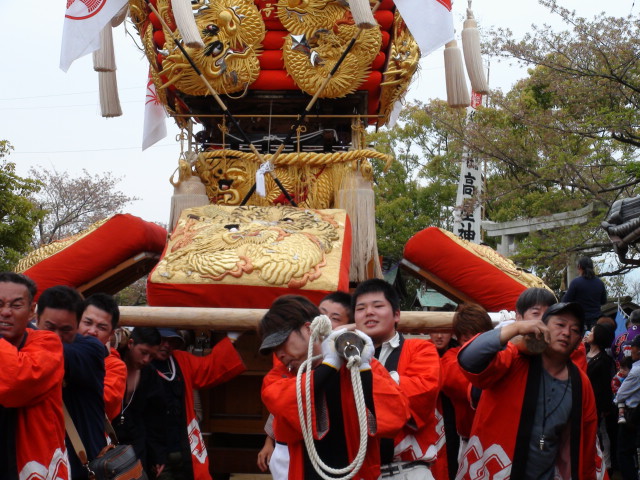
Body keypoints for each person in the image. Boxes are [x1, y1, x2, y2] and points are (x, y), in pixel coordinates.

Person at [260, 294, 410, 479]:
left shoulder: (356, 365)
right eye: (274, 349)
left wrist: (364, 366)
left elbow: (396, 415)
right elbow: (285, 405)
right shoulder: (281, 376)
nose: (279, 353)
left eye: (282, 343)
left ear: (308, 329)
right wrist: (329, 365)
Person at [457, 302, 599, 479]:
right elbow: (469, 359)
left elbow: (584, 444)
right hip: (494, 470)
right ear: (542, 327)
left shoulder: (581, 383)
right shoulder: (515, 357)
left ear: (579, 340)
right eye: (560, 325)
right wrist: (516, 328)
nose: (566, 333)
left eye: (575, 330)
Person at [353, 279, 441, 480]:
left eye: (378, 306)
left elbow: (421, 394)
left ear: (396, 314)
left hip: (408, 471)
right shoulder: (343, 358)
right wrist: (395, 380)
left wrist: (368, 370)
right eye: (361, 308)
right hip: (358, 472)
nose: (369, 312)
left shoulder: (421, 349)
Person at [0, 272, 70, 479]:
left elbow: (15, 381)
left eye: (15, 305)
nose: (5, 312)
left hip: (33, 467)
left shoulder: (47, 343)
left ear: (32, 311)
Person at [152, 327, 246, 480]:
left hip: (183, 444)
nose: (166, 345)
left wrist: (232, 337)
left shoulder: (180, 359)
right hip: (154, 446)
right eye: (162, 340)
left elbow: (207, 368)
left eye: (172, 341)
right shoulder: (138, 363)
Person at [37, 285, 107, 480]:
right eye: (50, 327)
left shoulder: (91, 349)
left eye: (65, 330)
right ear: (36, 320)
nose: (55, 337)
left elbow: (54, 354)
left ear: (78, 326)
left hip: (82, 465)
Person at [440, 303, 493, 478]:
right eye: (467, 339)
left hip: (504, 439)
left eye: (480, 338)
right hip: (470, 442)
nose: (475, 344)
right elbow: (455, 380)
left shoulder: (503, 354)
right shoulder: (450, 359)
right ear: (458, 338)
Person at [115, 326, 166, 476]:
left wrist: (158, 454)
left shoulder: (149, 375)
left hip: (136, 441)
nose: (146, 360)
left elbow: (156, 418)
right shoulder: (112, 363)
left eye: (151, 356)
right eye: (143, 353)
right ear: (130, 344)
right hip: (108, 439)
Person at [78, 293, 127, 421]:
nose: (92, 331)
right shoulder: (57, 352)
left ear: (111, 334)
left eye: (101, 327)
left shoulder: (116, 367)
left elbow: (103, 401)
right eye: (87, 322)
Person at [585, 323, 617, 474]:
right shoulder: (583, 352)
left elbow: (605, 386)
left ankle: (606, 466)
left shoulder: (604, 360)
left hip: (597, 403)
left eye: (592, 331)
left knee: (601, 434)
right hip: (584, 400)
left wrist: (605, 408)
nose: (588, 333)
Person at [613, 335, 640, 480]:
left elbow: (620, 395)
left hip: (631, 415)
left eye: (633, 347)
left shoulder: (636, 371)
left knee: (624, 453)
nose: (631, 350)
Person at [562, 256, 607, 330]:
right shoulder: (600, 283)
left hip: (579, 321)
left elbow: (565, 301)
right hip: (596, 322)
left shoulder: (576, 282)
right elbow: (603, 301)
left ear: (579, 266)